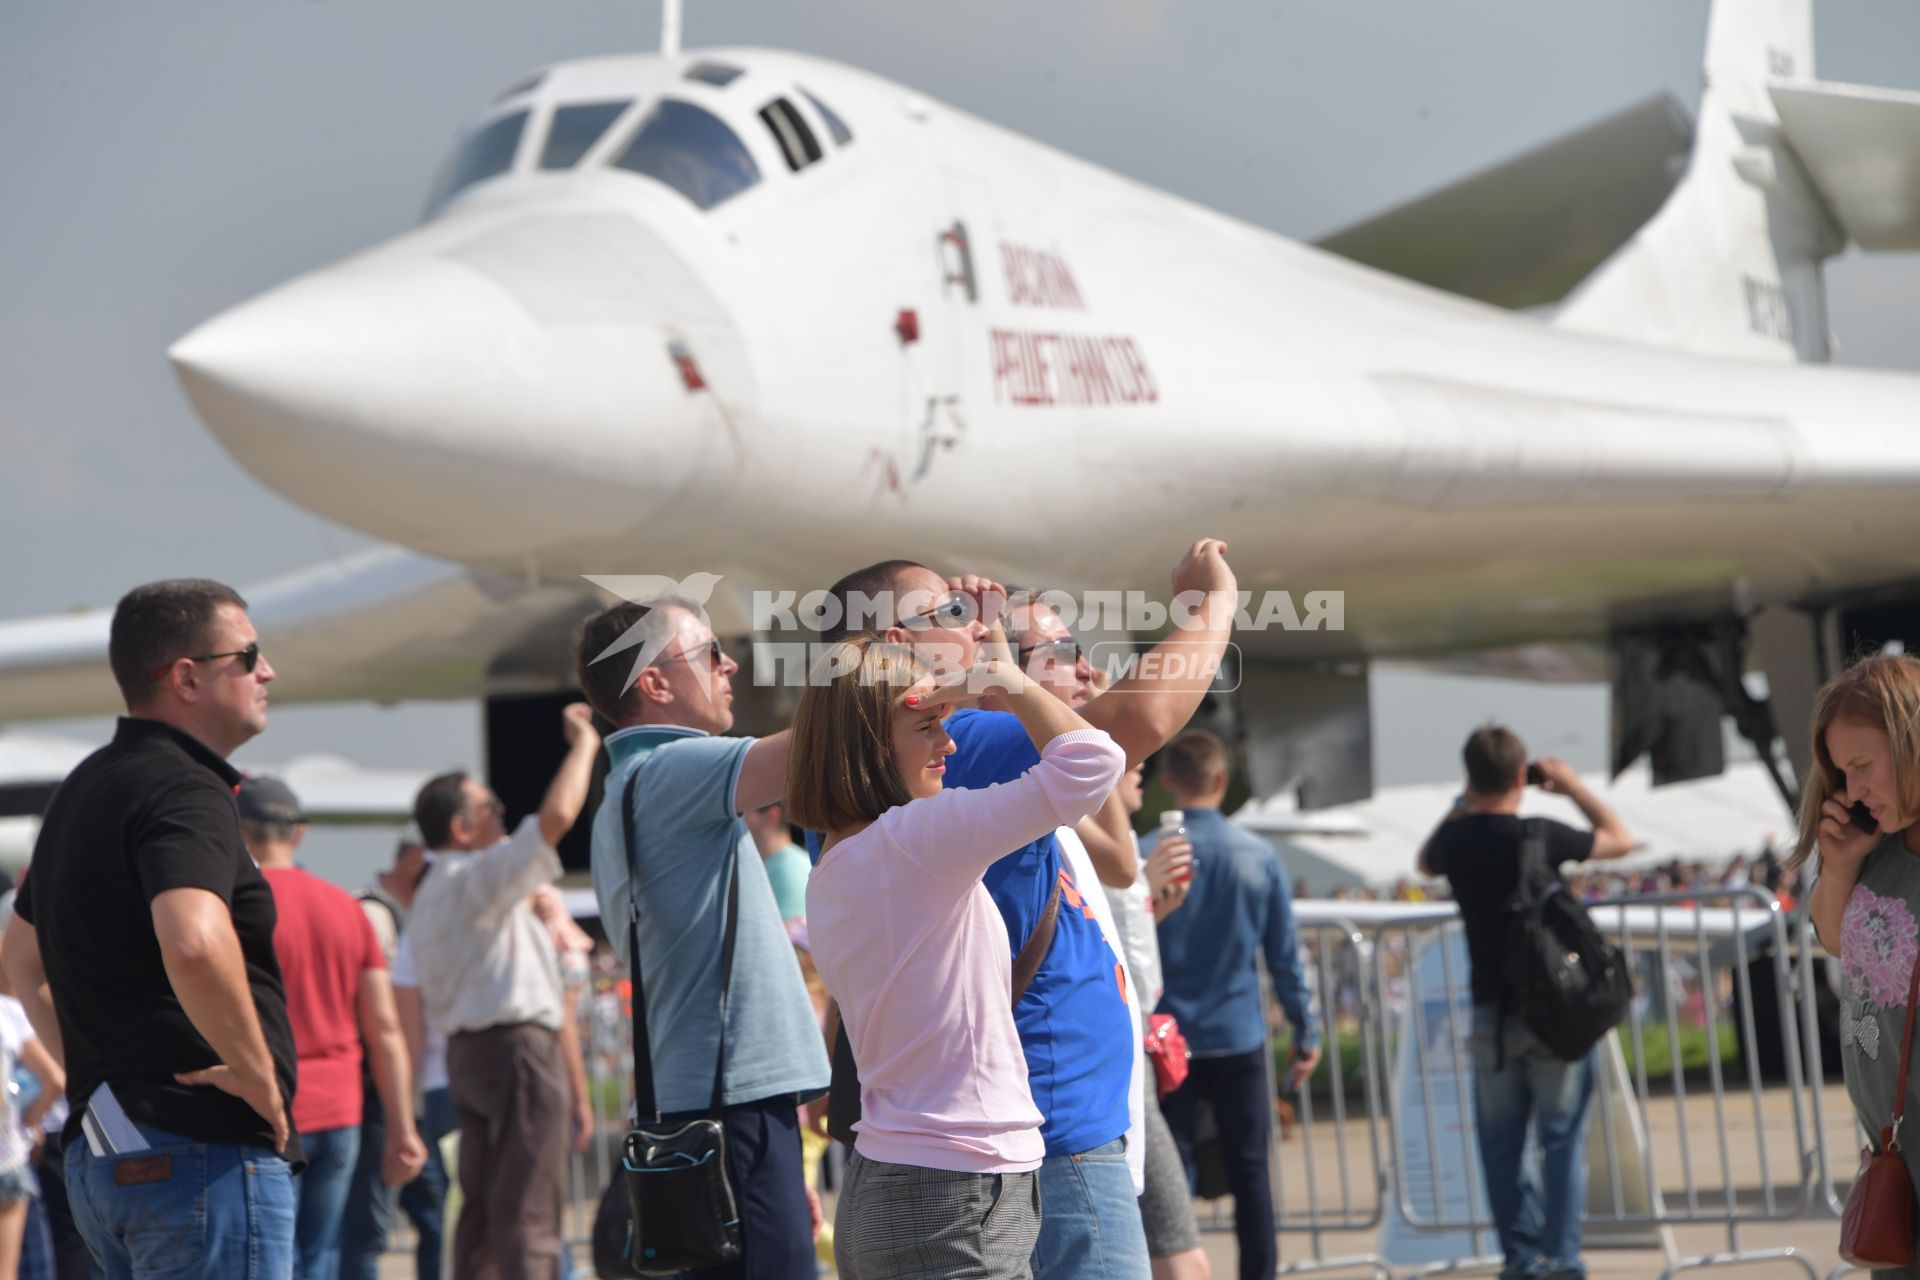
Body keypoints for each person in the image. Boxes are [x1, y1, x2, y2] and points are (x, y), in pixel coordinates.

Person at [817, 539, 1239, 1280]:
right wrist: (1217, 603)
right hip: (1045, 1130)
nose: (977, 621)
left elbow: (1109, 847)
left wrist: (991, 645)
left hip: (1027, 1129)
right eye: (949, 611)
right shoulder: (960, 751)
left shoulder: (907, 773)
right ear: (893, 642)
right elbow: (1123, 733)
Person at [796, 633, 1124, 1279]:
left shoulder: (837, 860)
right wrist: (1008, 682)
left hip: (898, 1176)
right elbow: (1092, 762)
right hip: (954, 1184)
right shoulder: (916, 839)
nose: (949, 745)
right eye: (928, 727)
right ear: (867, 739)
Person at [1, 578, 301, 1277]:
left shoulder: (83, 787)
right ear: (186, 678)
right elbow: (192, 938)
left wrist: (101, 1069)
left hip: (108, 1151)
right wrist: (258, 1074)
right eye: (248, 654)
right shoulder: (185, 787)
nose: (267, 670)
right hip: (199, 1154)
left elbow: (18, 959)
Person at [577, 600, 828, 1280]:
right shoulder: (673, 770)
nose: (731, 665)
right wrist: (896, 655)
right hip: (735, 1105)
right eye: (711, 653)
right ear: (655, 684)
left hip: (710, 1103)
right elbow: (830, 742)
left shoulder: (631, 785)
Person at [1004, 597, 1209, 1280]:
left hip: (1098, 1108)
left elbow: (1120, 866)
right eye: (1063, 653)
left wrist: (1100, 764)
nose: (1089, 671)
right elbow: (1149, 715)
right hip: (1064, 1122)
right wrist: (1218, 598)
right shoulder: (1000, 770)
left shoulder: (1040, 785)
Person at [1415, 726, 1633, 1280]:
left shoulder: (1456, 842)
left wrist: (1462, 805)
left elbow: (1424, 861)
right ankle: (1561, 1259)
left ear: (1469, 778)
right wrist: (1572, 788)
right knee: (1560, 1141)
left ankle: (1520, 1260)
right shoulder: (1539, 833)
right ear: (1521, 777)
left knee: (1500, 1148)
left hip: (1491, 1012)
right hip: (1553, 1013)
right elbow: (1618, 838)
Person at [402, 703, 600, 1280]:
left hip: (469, 1053)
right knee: (528, 1211)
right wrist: (584, 743)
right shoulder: (474, 878)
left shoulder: (434, 891)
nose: (502, 813)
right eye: (490, 808)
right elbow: (557, 815)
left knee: (484, 1210)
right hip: (515, 1051)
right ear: (462, 829)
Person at [238, 776, 427, 1280]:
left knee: (273, 1261)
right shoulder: (348, 909)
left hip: (267, 1109)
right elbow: (384, 1027)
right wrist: (403, 1127)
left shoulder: (237, 910)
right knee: (321, 1256)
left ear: (240, 832)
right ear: (298, 834)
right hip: (341, 1109)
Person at [1149, 731, 1319, 1280]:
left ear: (1170, 782)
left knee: (1169, 1176)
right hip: (1237, 1033)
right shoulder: (1259, 856)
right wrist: (1305, 1029)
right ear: (1221, 781)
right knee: (1251, 1176)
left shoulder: (1148, 850)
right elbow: (1285, 958)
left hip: (1166, 1039)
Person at [1793, 653, 1920, 1280]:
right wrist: (1840, 865)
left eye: (1864, 765)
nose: (1853, 789)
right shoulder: (1882, 845)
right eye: (1843, 772)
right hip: (1895, 1163)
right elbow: (1835, 939)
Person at [340, 829, 448, 1280]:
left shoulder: (394, 913)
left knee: (431, 1215)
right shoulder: (374, 914)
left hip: (397, 1093)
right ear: (412, 861)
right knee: (372, 1229)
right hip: (384, 1095)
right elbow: (382, 1020)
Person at [747, 803, 810, 925]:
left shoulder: (790, 869)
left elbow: (793, 941)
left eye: (743, 814)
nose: (738, 821)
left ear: (772, 816)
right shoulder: (779, 865)